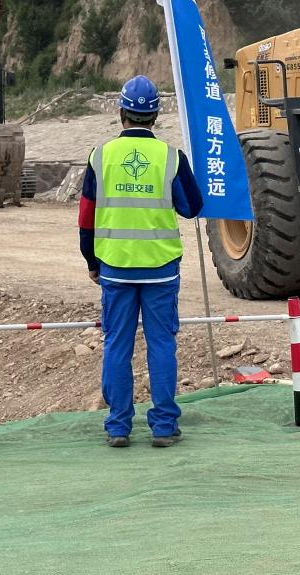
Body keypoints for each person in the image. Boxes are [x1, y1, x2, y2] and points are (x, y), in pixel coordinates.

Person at [79, 75, 203, 449]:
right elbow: (192, 207)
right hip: (161, 271)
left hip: (115, 268)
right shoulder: (171, 158)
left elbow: (86, 218)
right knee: (161, 344)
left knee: (117, 344)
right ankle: (164, 426)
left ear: (121, 114)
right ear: (156, 117)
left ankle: (118, 426)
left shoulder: (99, 157)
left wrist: (91, 260)